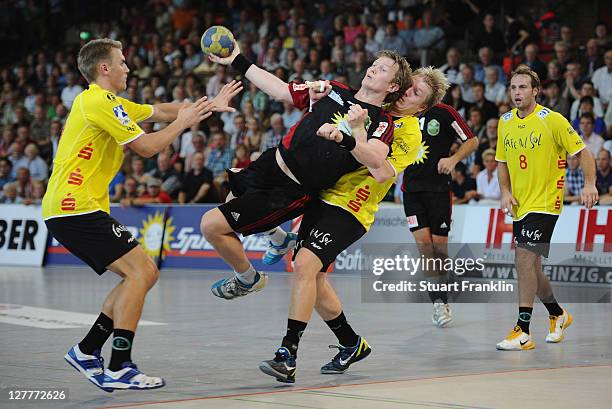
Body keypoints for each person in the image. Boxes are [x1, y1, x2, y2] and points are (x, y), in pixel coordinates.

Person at [42, 38, 240, 391]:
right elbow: (147, 148)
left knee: (140, 275)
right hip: (75, 207)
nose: (128, 68)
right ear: (104, 68)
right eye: (121, 62)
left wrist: (210, 105)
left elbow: (161, 110)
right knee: (142, 271)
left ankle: (88, 351)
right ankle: (120, 365)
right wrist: (185, 123)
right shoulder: (98, 101)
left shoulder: (108, 103)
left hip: (74, 207)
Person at [256, 67, 449, 383]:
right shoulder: (374, 106)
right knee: (313, 279)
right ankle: (351, 344)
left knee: (305, 266)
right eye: (408, 87)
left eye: (416, 94)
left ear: (423, 108)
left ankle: (287, 355)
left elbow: (380, 170)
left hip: (351, 208)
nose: (406, 94)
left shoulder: (410, 132)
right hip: (323, 196)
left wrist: (350, 136)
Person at [201, 42, 409, 304]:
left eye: (383, 69)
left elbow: (377, 161)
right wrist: (237, 59)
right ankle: (278, 239)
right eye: (374, 64)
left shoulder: (381, 122)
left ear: (393, 86)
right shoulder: (334, 89)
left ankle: (247, 278)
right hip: (270, 162)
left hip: (290, 190)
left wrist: (356, 130)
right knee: (232, 197)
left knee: (211, 225)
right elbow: (281, 91)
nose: (373, 69)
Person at [495, 65, 598, 351]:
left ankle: (523, 330)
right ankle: (557, 314)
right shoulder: (505, 121)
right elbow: (501, 162)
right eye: (513, 87)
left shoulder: (551, 120)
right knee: (533, 268)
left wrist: (589, 184)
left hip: (545, 202)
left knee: (523, 259)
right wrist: (505, 192)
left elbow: (583, 152)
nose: (517, 92)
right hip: (520, 203)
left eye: (523, 87)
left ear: (535, 91)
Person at [402, 102, 477, 326]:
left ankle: (441, 289)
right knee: (425, 247)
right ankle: (438, 302)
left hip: (439, 191)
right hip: (411, 191)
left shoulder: (443, 112)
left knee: (439, 248)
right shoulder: (402, 113)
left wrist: (453, 160)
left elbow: (472, 141)